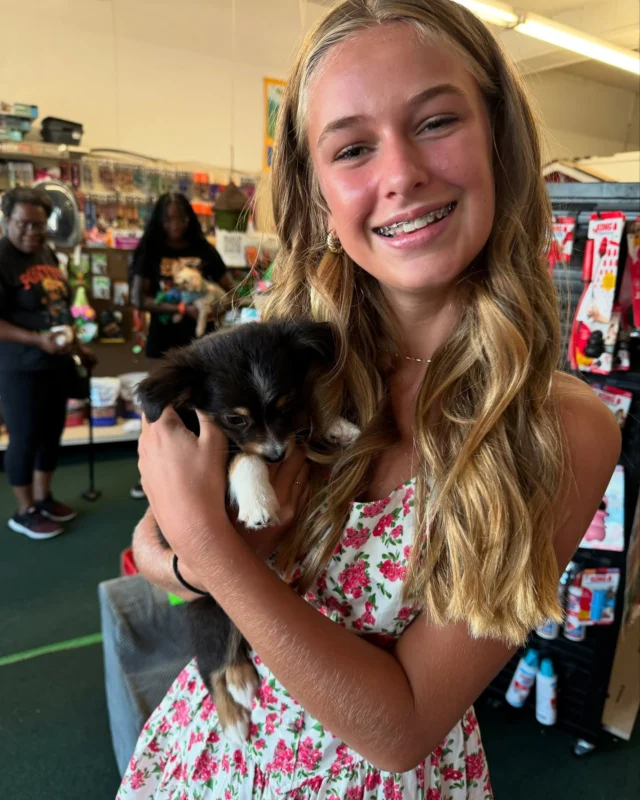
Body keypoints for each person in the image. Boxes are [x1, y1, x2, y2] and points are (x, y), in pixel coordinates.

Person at [118, 1, 621, 797]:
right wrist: (184, 554)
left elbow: (402, 729)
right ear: (317, 192)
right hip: (208, 756)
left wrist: (210, 554)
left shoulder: (558, 426)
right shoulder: (289, 361)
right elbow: (152, 545)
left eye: (436, 122)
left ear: (499, 139)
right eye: (353, 147)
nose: (401, 174)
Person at [0, 187, 95, 539]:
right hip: (19, 366)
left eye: (38, 225)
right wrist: (36, 339)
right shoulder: (2, 258)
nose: (31, 231)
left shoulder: (47, 253)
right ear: (7, 220)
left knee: (51, 433)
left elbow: (60, 307)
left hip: (56, 361)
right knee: (25, 437)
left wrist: (78, 345)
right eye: (23, 224)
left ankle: (43, 498)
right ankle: (24, 510)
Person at [129, 192, 235, 499]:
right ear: (158, 221)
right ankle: (153, 475)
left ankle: (203, 474)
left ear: (190, 219)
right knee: (161, 407)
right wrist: (179, 309)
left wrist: (218, 306)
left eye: (181, 218)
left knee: (204, 406)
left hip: (204, 343)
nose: (175, 225)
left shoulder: (204, 250)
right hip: (164, 340)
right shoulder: (149, 250)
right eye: (168, 219)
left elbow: (232, 288)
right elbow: (138, 299)